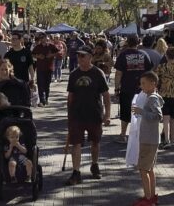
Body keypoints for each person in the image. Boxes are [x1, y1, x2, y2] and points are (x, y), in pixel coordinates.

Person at [66, 45, 110, 185]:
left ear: (90, 57)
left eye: (83, 56)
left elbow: (106, 96)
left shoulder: (98, 73)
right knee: (76, 144)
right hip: (77, 115)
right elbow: (70, 96)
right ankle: (76, 172)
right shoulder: (74, 74)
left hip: (94, 114)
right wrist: (69, 116)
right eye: (78, 56)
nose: (80, 58)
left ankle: (94, 164)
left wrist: (107, 115)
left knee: (95, 142)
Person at [131, 71, 163, 206]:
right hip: (150, 139)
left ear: (153, 83)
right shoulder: (152, 97)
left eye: (144, 83)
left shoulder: (152, 98)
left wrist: (141, 111)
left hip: (149, 140)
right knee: (149, 169)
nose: (141, 86)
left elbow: (158, 116)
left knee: (143, 169)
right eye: (141, 83)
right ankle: (151, 196)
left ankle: (148, 199)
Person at [114, 34, 153, 144]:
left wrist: (116, 88)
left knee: (125, 112)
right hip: (141, 89)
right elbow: (149, 72)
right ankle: (139, 134)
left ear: (127, 42)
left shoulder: (123, 55)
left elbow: (118, 73)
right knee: (140, 112)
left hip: (126, 88)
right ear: (138, 42)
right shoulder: (144, 54)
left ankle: (123, 134)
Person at [32, 33, 59, 107]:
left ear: (46, 38)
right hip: (40, 68)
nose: (42, 39)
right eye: (41, 38)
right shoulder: (37, 47)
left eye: (44, 38)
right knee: (40, 84)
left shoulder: (51, 46)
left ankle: (46, 98)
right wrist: (38, 56)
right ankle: (42, 100)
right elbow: (32, 54)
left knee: (47, 84)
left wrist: (51, 55)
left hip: (49, 68)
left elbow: (58, 52)